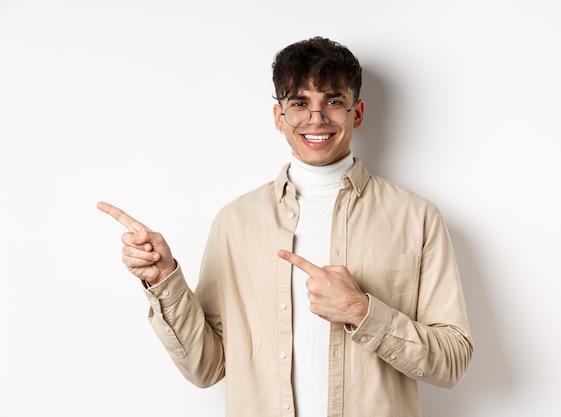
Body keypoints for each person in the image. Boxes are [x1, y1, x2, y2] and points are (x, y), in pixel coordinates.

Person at [98, 36, 473, 417]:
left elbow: (453, 361)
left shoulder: (416, 217)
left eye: (333, 102)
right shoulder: (237, 221)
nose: (316, 119)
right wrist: (165, 281)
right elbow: (206, 367)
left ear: (357, 113)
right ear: (279, 117)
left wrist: (361, 311)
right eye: (299, 104)